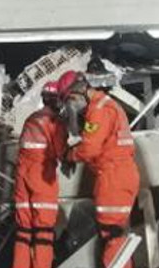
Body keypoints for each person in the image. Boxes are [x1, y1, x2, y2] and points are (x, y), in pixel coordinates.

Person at [57, 70, 139, 268]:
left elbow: (89, 149)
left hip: (113, 179)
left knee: (112, 239)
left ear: (75, 95)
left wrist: (68, 155)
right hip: (119, 176)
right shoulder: (107, 105)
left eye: (71, 103)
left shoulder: (98, 109)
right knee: (118, 238)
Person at [11, 81, 68, 268]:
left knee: (23, 230)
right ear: (58, 100)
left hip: (22, 175)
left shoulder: (31, 119)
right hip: (42, 175)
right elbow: (61, 152)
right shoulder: (55, 122)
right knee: (43, 230)